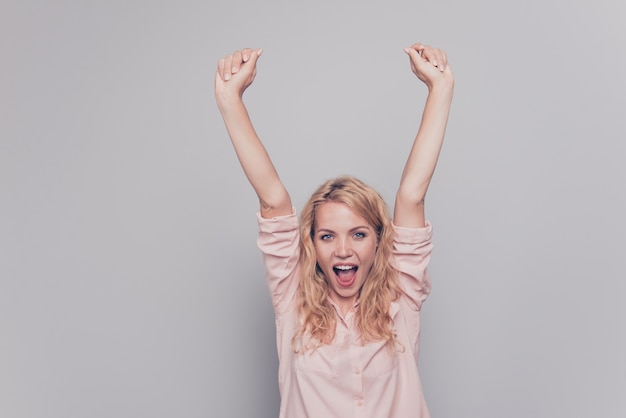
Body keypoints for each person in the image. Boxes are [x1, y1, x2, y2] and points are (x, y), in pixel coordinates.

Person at [215, 42, 454, 418]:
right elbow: (272, 199)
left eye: (358, 233)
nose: (343, 250)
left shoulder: (400, 296)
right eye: (328, 236)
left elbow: (412, 194)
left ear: (379, 241)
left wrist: (440, 89)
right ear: (311, 244)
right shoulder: (292, 297)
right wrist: (230, 99)